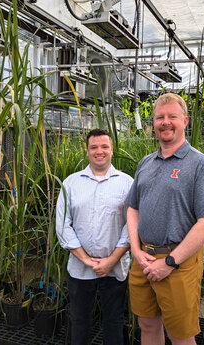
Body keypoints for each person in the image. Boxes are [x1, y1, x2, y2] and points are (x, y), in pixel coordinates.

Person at [127, 93, 204, 345]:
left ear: (185, 120)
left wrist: (169, 262)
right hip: (144, 259)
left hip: (177, 263)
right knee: (147, 325)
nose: (165, 122)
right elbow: (132, 208)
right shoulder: (145, 163)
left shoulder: (200, 165)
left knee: (180, 335)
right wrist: (136, 251)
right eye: (160, 117)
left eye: (172, 116)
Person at [56, 128, 133, 345]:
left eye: (104, 146)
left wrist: (111, 260)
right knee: (79, 320)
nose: (99, 151)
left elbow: (131, 225)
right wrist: (86, 260)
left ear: (112, 149)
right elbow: (63, 226)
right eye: (94, 147)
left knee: (114, 320)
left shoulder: (127, 183)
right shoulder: (71, 183)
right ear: (87, 150)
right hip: (80, 268)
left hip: (115, 267)